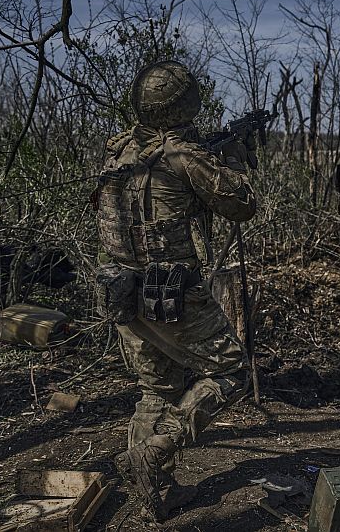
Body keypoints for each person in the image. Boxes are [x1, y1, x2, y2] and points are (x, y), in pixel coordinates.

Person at [93, 60, 256, 521]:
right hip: (172, 291)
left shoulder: (118, 151)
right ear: (187, 103)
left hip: (121, 288)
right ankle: (155, 453)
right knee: (230, 373)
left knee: (156, 387)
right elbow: (242, 206)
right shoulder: (184, 156)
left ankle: (153, 494)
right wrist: (236, 160)